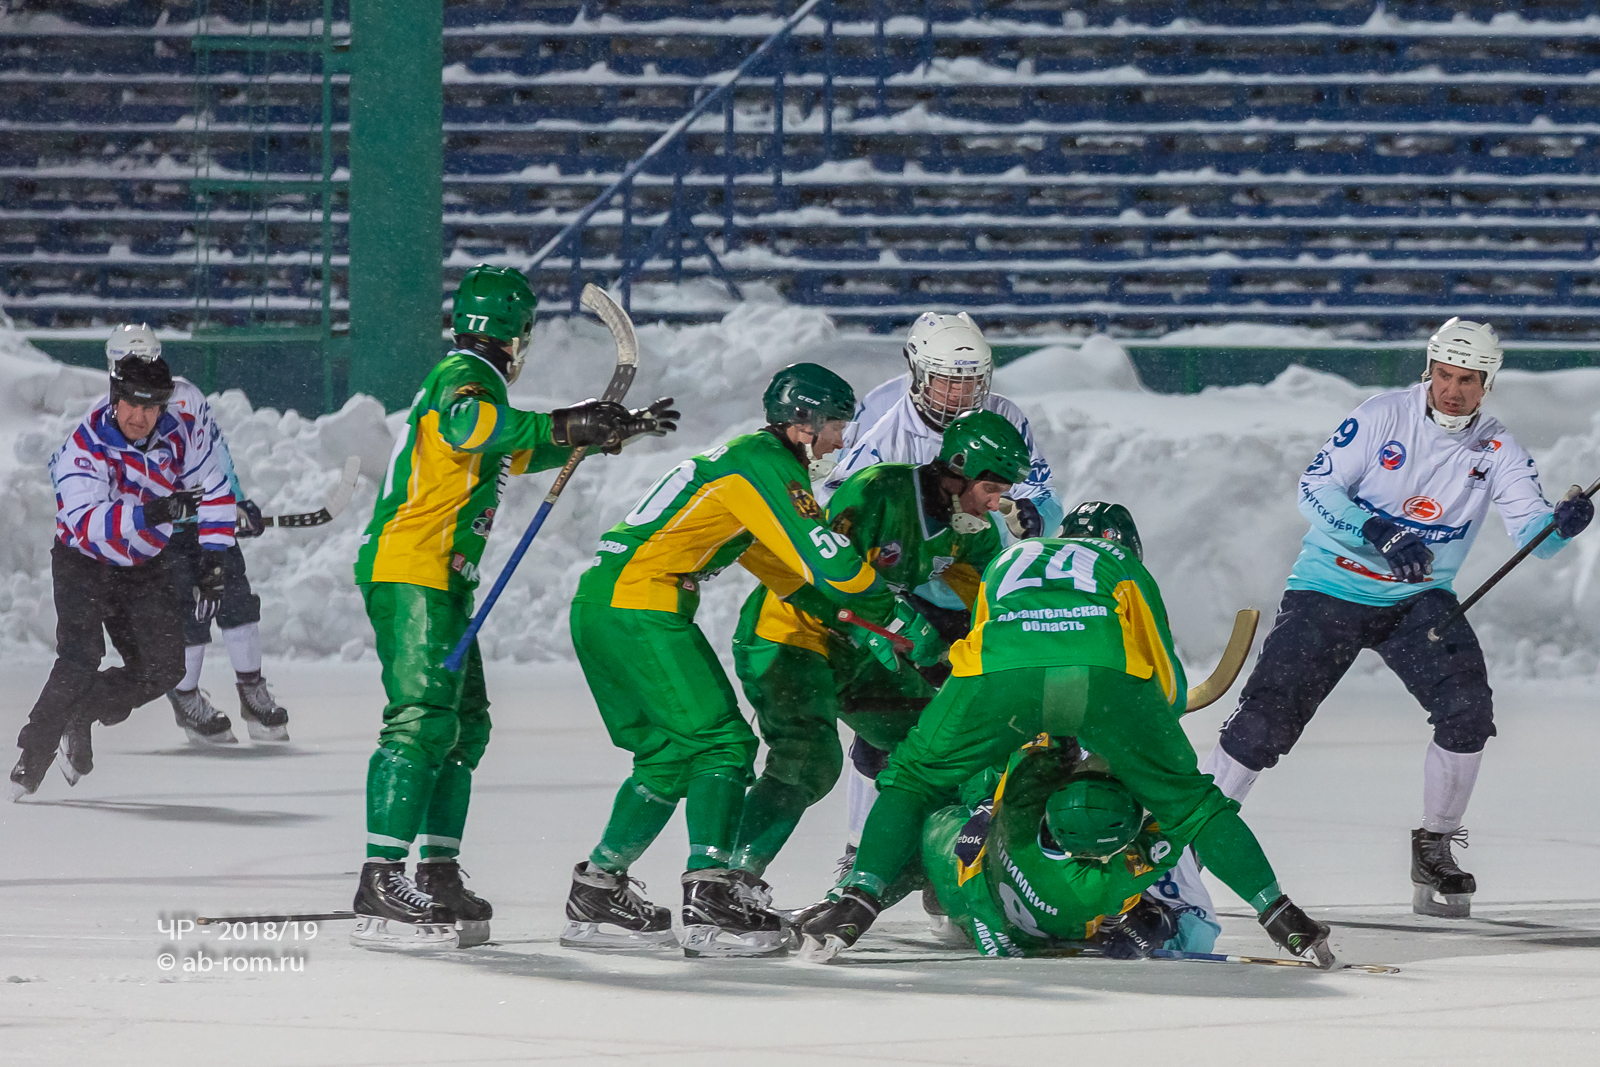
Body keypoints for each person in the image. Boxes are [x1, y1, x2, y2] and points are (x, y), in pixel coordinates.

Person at [798, 502, 1334, 968]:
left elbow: (984, 640)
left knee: (913, 779)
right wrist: (1145, 731)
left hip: (1002, 674)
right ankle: (1281, 916)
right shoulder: (1122, 564)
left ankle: (858, 899)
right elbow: (1165, 678)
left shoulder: (1008, 558)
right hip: (1102, 673)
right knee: (1194, 806)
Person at [1199, 317, 1594, 919]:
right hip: (1329, 588)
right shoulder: (1383, 414)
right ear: (1428, 371)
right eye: (1444, 376)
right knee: (1264, 724)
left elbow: (1533, 538)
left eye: (1468, 380)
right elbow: (1315, 488)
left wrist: (1561, 527)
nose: (1452, 391)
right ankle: (1185, 846)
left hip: (1415, 600)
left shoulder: (1497, 447)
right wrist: (1377, 530)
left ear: (1487, 384)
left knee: (1468, 712)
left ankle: (1435, 846)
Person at [350, 264, 677, 950]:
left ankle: (436, 871)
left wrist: (600, 432)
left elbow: (509, 450)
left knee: (464, 726)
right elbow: (473, 426)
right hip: (414, 570)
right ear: (515, 334)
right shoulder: (465, 376)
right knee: (422, 717)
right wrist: (568, 421)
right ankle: (380, 876)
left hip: (441, 578)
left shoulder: (477, 386)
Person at [562, 363, 896, 959]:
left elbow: (780, 570)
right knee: (722, 745)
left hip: (604, 605)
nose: (841, 440)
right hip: (640, 606)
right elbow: (831, 564)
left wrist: (849, 621)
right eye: (836, 426)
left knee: (668, 758)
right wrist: (892, 615)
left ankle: (597, 887)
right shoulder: (766, 464)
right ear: (803, 423)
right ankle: (711, 895)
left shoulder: (744, 463)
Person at [725, 409, 1028, 912]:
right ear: (958, 469)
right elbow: (823, 569)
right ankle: (725, 883)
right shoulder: (879, 489)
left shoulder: (972, 531)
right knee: (807, 761)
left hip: (863, 651)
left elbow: (989, 607)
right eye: (990, 488)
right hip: (794, 633)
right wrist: (887, 622)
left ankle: (892, 885)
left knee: (935, 753)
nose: (996, 504)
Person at [822, 311, 1063, 855]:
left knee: (996, 698)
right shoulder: (885, 424)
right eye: (947, 381)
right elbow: (841, 505)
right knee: (886, 722)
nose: (959, 394)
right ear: (916, 373)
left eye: (970, 381)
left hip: (973, 575)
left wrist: (1033, 513)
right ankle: (860, 845)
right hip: (905, 584)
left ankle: (992, 823)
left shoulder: (1006, 415)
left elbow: (1041, 490)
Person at [10, 335, 236, 799]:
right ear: (115, 399)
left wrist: (214, 558)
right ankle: (32, 758)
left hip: (142, 565)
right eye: (131, 404)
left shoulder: (177, 434)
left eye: (151, 407)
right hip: (83, 560)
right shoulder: (85, 444)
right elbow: (86, 521)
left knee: (165, 666)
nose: (140, 416)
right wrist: (153, 511)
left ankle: (82, 711)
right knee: (80, 657)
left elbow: (213, 488)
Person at [91, 327, 289, 747]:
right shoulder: (104, 415)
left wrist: (235, 500)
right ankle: (186, 697)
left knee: (235, 596)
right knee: (188, 611)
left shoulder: (187, 398)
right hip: (159, 535)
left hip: (206, 521)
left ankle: (252, 690)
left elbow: (215, 453)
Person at [920, 738, 1221, 959]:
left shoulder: (1021, 802)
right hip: (1016, 926)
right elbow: (1187, 818)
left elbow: (1001, 737)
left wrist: (983, 804)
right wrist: (1155, 934)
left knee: (947, 794)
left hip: (958, 869)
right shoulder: (1100, 886)